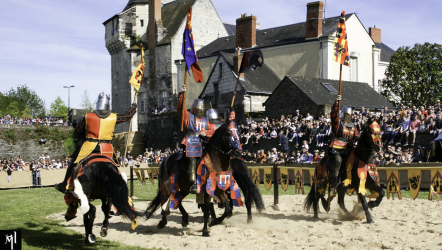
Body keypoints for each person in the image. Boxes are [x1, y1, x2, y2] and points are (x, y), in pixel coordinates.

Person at [54, 92, 137, 193]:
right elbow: (127, 116)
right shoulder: (113, 117)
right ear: (108, 105)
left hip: (89, 146)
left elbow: (78, 130)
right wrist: (133, 107)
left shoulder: (88, 116)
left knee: (74, 162)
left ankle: (64, 184)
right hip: (106, 148)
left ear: (98, 103)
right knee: (114, 166)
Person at [177, 85, 215, 194]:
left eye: (201, 110)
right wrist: (182, 94)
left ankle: (211, 179)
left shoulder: (205, 120)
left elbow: (213, 130)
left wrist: (205, 132)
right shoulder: (188, 116)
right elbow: (180, 107)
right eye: (198, 109)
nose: (200, 111)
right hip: (191, 140)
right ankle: (193, 183)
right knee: (192, 158)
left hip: (203, 141)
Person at [329, 95, 360, 188]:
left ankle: (355, 180)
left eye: (349, 115)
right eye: (346, 115)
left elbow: (357, 135)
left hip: (349, 146)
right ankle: (334, 181)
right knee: (338, 161)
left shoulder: (353, 126)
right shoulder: (338, 124)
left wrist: (359, 138)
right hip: (338, 145)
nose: (347, 117)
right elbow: (333, 115)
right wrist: (336, 103)